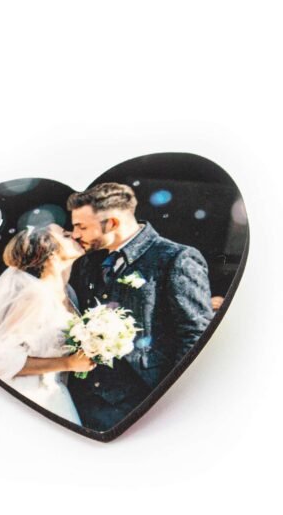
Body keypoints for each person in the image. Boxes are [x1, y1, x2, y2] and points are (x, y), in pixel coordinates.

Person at [67, 182, 214, 432]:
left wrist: (168, 399)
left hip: (142, 401)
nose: (75, 234)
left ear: (112, 223)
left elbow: (196, 335)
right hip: (83, 397)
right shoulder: (88, 261)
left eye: (81, 226)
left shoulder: (175, 258)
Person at [0, 224, 95, 424]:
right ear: (50, 252)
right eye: (66, 235)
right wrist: (67, 363)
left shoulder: (69, 293)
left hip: (53, 394)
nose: (74, 235)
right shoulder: (36, 296)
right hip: (26, 396)